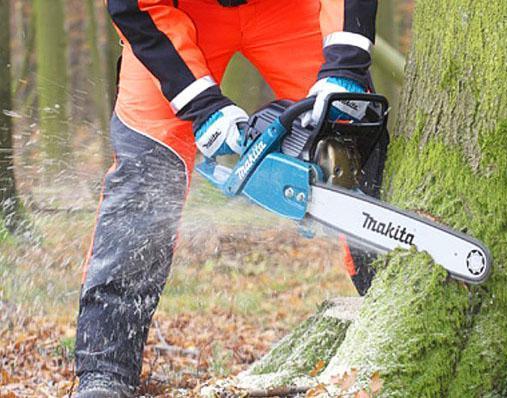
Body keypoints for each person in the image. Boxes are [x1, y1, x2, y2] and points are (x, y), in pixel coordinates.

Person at [75, 1, 387, 396]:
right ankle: (105, 368)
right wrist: (202, 106)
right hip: (176, 14)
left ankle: (388, 301)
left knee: (351, 123)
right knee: (147, 166)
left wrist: (345, 65)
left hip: (294, 8)